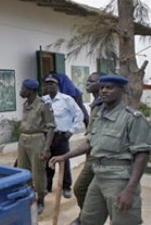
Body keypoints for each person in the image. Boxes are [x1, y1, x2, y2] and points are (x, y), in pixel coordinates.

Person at [49, 74, 151, 225]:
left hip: (119, 180)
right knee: (88, 220)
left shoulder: (133, 118)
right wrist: (65, 156)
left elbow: (142, 155)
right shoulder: (100, 116)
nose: (104, 91)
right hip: (98, 176)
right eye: (102, 87)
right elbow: (89, 143)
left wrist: (130, 190)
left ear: (121, 90)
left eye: (110, 87)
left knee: (124, 222)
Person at [70, 72, 104, 225]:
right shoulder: (95, 104)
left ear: (101, 83)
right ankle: (85, 216)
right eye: (87, 80)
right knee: (87, 189)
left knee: (80, 188)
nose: (87, 83)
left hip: (98, 154)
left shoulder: (105, 104)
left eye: (91, 81)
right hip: (90, 152)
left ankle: (88, 218)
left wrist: (67, 155)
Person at [42, 74, 83, 198]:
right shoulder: (43, 100)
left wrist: (71, 130)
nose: (49, 86)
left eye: (52, 84)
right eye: (47, 84)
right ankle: (47, 186)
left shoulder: (67, 99)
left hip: (61, 136)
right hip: (46, 137)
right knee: (47, 162)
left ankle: (66, 187)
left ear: (57, 85)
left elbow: (78, 114)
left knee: (64, 162)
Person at [17, 79, 56, 213]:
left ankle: (40, 198)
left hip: (37, 139)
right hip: (23, 139)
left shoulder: (43, 105)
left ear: (31, 90)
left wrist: (46, 147)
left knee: (38, 171)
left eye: (23, 89)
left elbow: (50, 127)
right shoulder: (25, 104)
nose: (21, 91)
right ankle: (28, 195)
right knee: (23, 170)